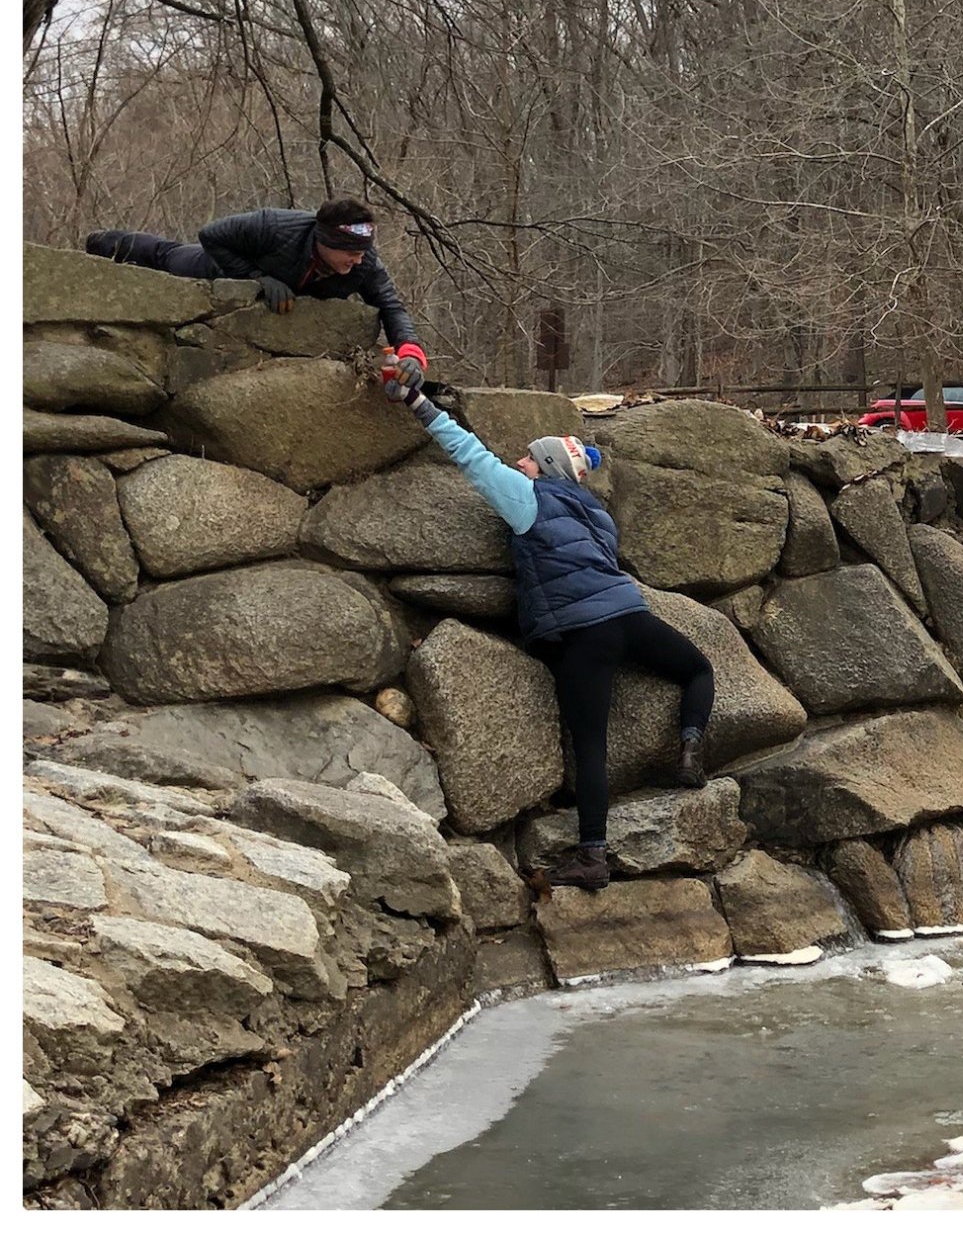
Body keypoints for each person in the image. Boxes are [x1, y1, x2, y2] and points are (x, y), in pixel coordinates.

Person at [382, 349, 716, 892]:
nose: (519, 463)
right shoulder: (597, 514)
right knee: (698, 668)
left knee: (590, 746)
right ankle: (690, 749)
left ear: (548, 470)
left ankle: (592, 855)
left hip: (584, 634)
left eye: (529, 459)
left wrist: (417, 401)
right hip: (629, 614)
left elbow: (468, 454)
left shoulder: (528, 498)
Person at [84, 197, 421, 351]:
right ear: (325, 243)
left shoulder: (365, 264)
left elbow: (391, 307)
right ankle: (103, 243)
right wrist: (258, 277)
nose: (358, 261)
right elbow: (211, 234)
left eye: (362, 253)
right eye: (350, 253)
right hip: (220, 267)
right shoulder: (274, 226)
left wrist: (409, 350)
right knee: (166, 255)